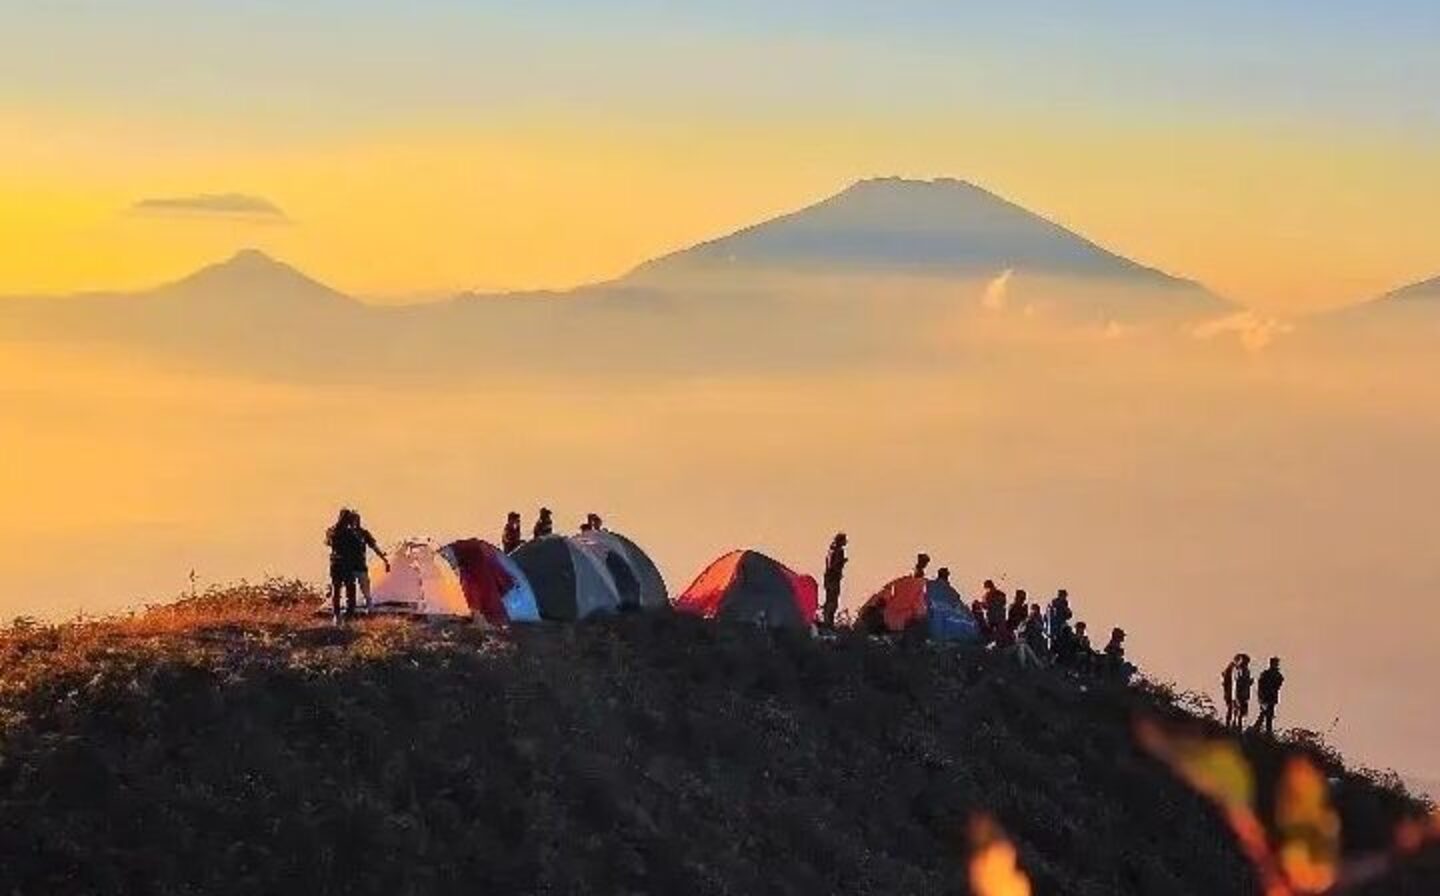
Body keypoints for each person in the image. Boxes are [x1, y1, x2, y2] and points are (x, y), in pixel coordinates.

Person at [349, 512, 389, 611]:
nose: (355, 522)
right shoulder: (346, 534)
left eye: (356, 519)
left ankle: (369, 608)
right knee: (350, 589)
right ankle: (351, 609)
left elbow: (374, 547)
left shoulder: (363, 533)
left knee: (365, 588)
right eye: (353, 520)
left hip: (360, 566)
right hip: (348, 566)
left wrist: (384, 559)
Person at [821, 533, 848, 628]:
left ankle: (827, 620)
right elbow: (834, 565)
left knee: (829, 600)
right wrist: (842, 562)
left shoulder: (831, 550)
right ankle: (828, 622)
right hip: (833, 578)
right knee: (832, 601)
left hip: (828, 578)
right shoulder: (839, 551)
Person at [1253, 657, 1285, 737]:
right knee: (1265, 714)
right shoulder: (1267, 674)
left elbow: (1280, 682)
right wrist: (1261, 698)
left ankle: (1267, 732)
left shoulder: (1274, 674)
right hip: (1266, 697)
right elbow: (1261, 686)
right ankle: (1257, 730)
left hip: (1271, 698)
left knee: (1268, 716)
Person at [1232, 654, 1254, 730]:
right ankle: (1237, 726)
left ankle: (1237, 725)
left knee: (1239, 711)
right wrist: (1248, 682)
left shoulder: (1242, 669)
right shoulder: (1240, 670)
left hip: (1242, 693)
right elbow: (1240, 680)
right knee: (1239, 711)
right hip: (1240, 693)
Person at [1221, 654, 1243, 729]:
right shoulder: (1232, 669)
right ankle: (1229, 725)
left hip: (1232, 693)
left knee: (1233, 710)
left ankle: (1231, 725)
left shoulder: (1234, 668)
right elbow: (1226, 682)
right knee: (1232, 709)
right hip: (1231, 693)